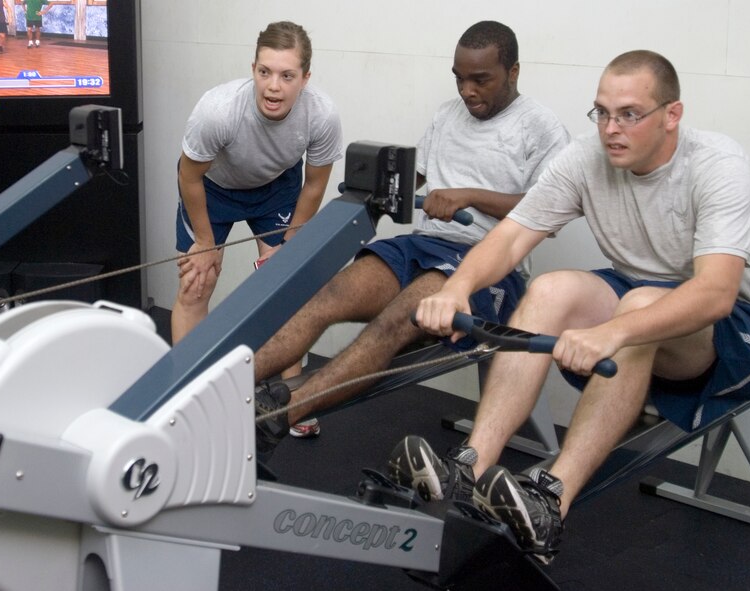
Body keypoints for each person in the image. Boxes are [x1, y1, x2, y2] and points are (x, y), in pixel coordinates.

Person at [400, 49, 750, 565]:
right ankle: (470, 465)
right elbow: (513, 238)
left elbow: (716, 292)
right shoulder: (586, 158)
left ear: (672, 115)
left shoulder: (718, 165)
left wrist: (615, 332)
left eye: (629, 114)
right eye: (602, 112)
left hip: (739, 336)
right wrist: (455, 288)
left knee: (642, 306)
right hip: (634, 301)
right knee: (551, 289)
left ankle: (550, 502)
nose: (611, 128)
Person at [253, 21, 569, 458]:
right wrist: (373, 184)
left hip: (488, 263)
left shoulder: (542, 128)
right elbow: (414, 177)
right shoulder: (447, 114)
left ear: (513, 72)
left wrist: (468, 197)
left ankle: (280, 417)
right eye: (459, 78)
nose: (467, 90)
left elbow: (548, 215)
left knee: (395, 320)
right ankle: (218, 390)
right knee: (325, 296)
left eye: (481, 79)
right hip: (421, 247)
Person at [173, 21, 343, 436]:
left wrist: (293, 239)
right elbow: (188, 176)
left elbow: (315, 181)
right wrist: (205, 242)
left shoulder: (320, 114)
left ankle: (291, 397)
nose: (273, 86)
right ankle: (183, 395)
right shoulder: (218, 110)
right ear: (253, 69)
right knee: (197, 282)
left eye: (287, 75)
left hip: (276, 188)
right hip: (213, 189)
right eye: (265, 72)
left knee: (287, 284)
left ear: (305, 78)